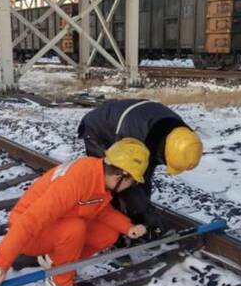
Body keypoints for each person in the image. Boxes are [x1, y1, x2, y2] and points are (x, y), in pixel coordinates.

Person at [0, 138, 150, 286]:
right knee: (75, 228)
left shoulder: (98, 176)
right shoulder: (77, 181)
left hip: (54, 225)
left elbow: (100, 210)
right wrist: (2, 262)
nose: (131, 186)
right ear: (120, 176)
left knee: (108, 234)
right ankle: (59, 280)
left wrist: (127, 227)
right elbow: (31, 219)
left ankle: (54, 259)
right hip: (31, 234)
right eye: (133, 182)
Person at [77, 99, 203, 235]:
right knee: (109, 182)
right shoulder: (133, 134)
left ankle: (135, 221)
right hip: (99, 130)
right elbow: (126, 178)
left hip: (140, 130)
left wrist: (145, 213)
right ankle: (109, 227)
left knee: (139, 179)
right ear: (165, 151)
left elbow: (143, 177)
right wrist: (146, 214)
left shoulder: (182, 137)